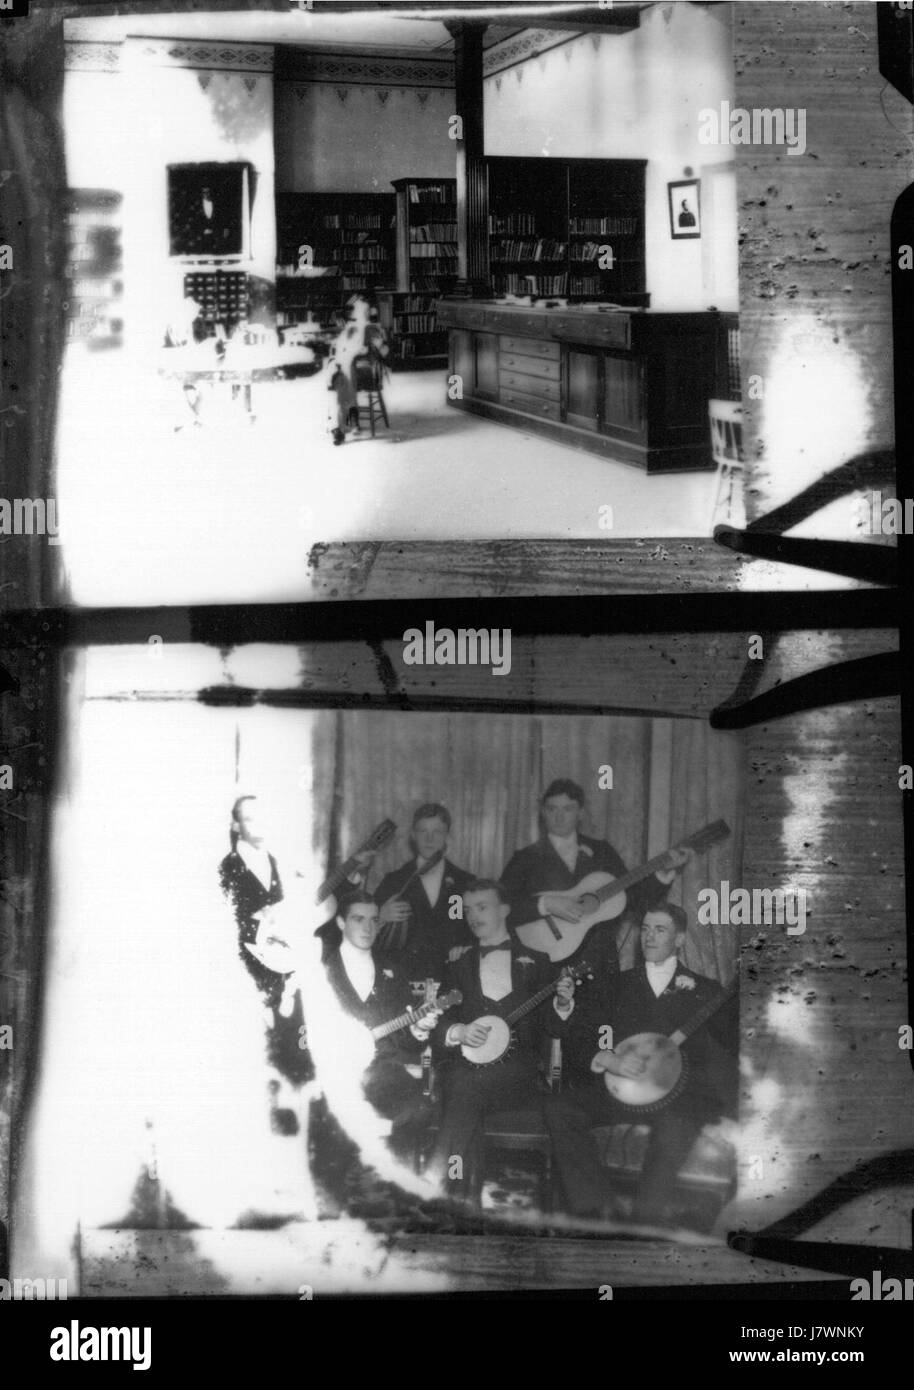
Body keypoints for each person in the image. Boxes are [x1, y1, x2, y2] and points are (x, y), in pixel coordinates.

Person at [544, 903, 737, 1226]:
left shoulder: (707, 991)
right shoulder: (616, 984)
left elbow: (735, 1040)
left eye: (659, 930)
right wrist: (609, 1059)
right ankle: (597, 1212)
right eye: (645, 929)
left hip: (676, 1098)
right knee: (559, 1107)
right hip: (622, 1090)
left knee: (675, 1129)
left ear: (679, 939)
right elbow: (582, 1032)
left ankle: (642, 1227)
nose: (648, 936)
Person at [426, 879, 576, 1201]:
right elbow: (439, 1023)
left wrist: (563, 1003)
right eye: (468, 910)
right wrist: (458, 1032)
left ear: (505, 909)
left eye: (482, 907)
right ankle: (464, 1197)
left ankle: (435, 1183)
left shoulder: (539, 963)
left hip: (517, 1077)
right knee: (464, 1086)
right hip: (467, 1072)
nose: (472, 916)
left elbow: (555, 1027)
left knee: (462, 1088)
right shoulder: (458, 966)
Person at [500, 778, 688, 984]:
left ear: (581, 813)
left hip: (599, 965)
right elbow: (503, 908)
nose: (559, 817)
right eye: (552, 809)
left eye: (568, 809)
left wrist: (662, 875)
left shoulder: (602, 852)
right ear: (543, 812)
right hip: (545, 966)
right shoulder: (524, 858)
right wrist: (545, 904)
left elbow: (634, 900)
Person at [323, 890, 441, 1161]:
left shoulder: (394, 971)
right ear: (341, 923)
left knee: (419, 1108)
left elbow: (408, 1044)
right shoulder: (319, 970)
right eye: (358, 919)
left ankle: (396, 1188)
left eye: (374, 920)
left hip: (380, 1071)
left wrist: (419, 1028)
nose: (368, 928)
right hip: (332, 1073)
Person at [373, 803, 474, 986]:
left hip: (449, 979)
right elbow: (368, 931)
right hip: (401, 981)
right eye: (422, 831)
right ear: (413, 835)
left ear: (447, 836)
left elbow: (465, 928)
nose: (429, 839)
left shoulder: (462, 882)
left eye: (437, 832)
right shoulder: (394, 882)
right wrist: (380, 917)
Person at [219, 795, 285, 1000]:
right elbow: (225, 928)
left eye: (262, 818)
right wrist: (261, 923)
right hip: (245, 974)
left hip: (278, 966)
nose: (258, 826)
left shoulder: (274, 862)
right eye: (249, 819)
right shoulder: (229, 867)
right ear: (236, 825)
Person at [327, 295, 389, 445]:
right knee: (343, 377)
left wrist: (370, 349)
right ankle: (349, 421)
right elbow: (339, 348)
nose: (358, 314)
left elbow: (384, 351)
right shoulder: (350, 329)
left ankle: (342, 426)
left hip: (366, 372)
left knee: (344, 380)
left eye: (363, 311)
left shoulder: (371, 328)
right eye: (357, 311)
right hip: (349, 370)